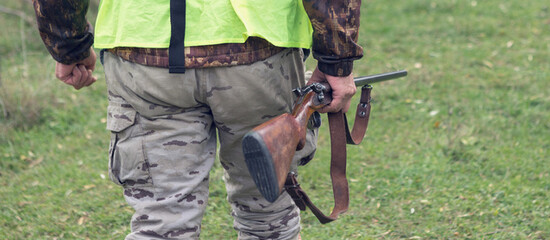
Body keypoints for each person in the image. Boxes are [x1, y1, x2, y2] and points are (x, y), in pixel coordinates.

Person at [33, 0, 362, 239]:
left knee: (162, 221)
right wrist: (336, 61)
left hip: (144, 56)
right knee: (267, 209)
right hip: (260, 54)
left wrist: (69, 44)